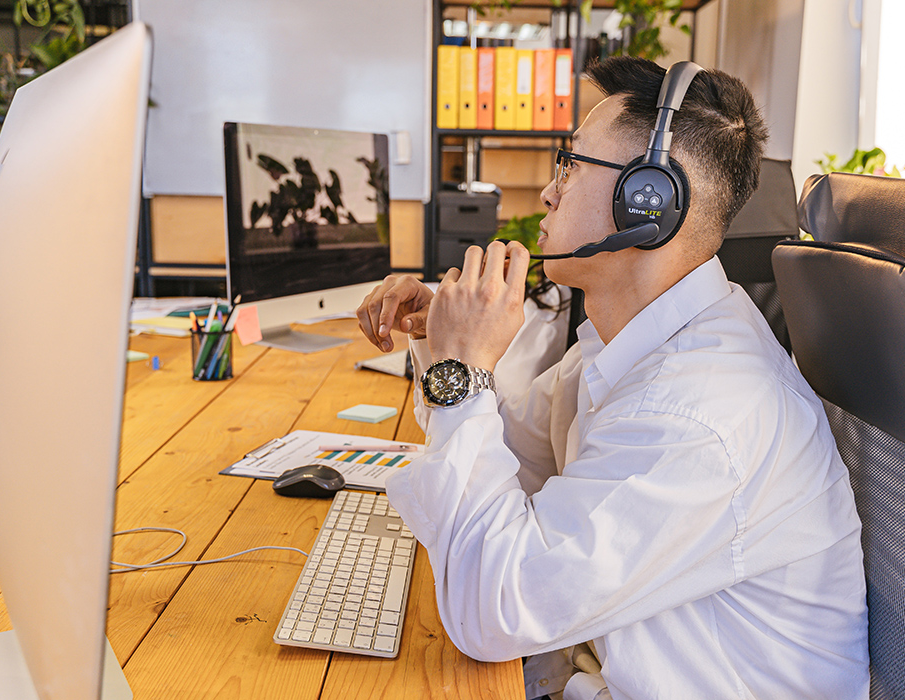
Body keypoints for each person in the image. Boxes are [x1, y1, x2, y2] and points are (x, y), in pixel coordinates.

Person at [357, 57, 869, 700]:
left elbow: (492, 614)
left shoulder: (699, 414)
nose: (548, 191)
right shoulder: (634, 342)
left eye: (570, 166)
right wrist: (443, 344)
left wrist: (468, 368)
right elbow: (521, 456)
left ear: (647, 203)